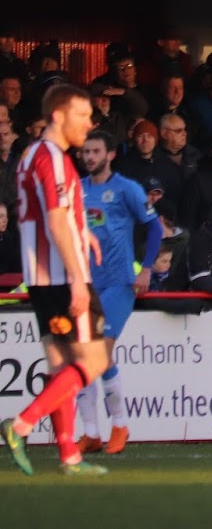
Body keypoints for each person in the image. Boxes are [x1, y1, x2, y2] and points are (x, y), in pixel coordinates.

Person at [3, 85, 114, 476]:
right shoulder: (52, 158)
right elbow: (54, 220)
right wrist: (80, 282)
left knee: (59, 364)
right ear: (59, 115)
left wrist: (82, 229)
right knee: (96, 358)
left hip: (39, 275)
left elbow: (46, 213)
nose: (90, 123)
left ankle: (69, 455)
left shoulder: (29, 156)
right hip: (63, 276)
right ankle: (21, 424)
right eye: (83, 115)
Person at [73, 129, 161, 456]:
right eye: (86, 152)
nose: (89, 157)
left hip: (119, 282)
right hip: (86, 284)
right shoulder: (77, 191)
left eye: (95, 151)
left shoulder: (127, 189)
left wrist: (147, 268)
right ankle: (92, 433)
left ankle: (120, 424)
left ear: (110, 154)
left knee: (98, 352)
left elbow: (153, 227)